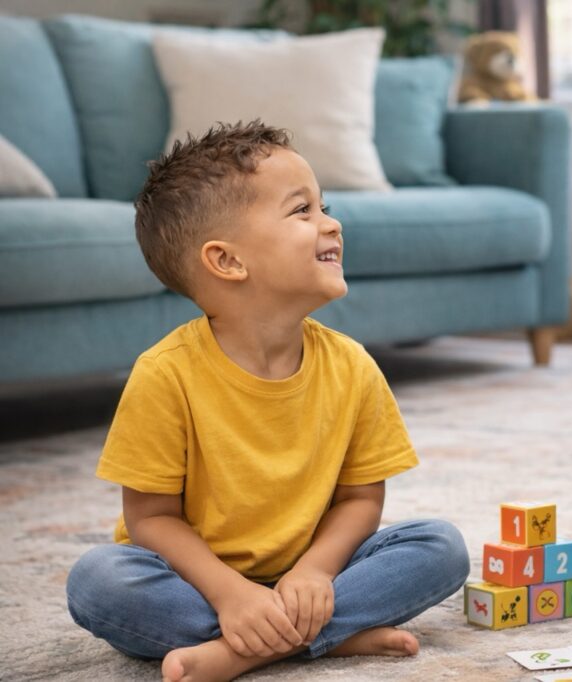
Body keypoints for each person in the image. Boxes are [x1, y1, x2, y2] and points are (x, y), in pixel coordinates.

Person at [65, 121, 470, 682]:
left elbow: (360, 500)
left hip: (318, 574)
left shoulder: (352, 366)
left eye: (324, 206)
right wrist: (231, 594)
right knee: (98, 581)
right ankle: (328, 637)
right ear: (227, 261)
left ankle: (244, 651)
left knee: (439, 546)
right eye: (302, 210)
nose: (331, 222)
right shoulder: (164, 375)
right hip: (197, 581)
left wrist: (314, 574)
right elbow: (150, 519)